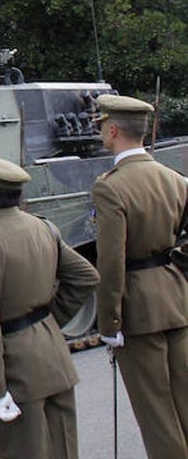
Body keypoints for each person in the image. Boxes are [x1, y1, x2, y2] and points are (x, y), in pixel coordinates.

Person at [0, 149, 100, 459]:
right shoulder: (43, 227)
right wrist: (46, 323)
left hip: (16, 375)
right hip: (54, 359)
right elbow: (86, 276)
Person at [92, 94, 188, 458]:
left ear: (113, 129)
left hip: (138, 311)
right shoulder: (174, 178)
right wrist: (177, 263)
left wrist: (109, 322)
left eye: (102, 124)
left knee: (157, 414)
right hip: (176, 297)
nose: (101, 130)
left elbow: (112, 262)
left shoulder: (111, 186)